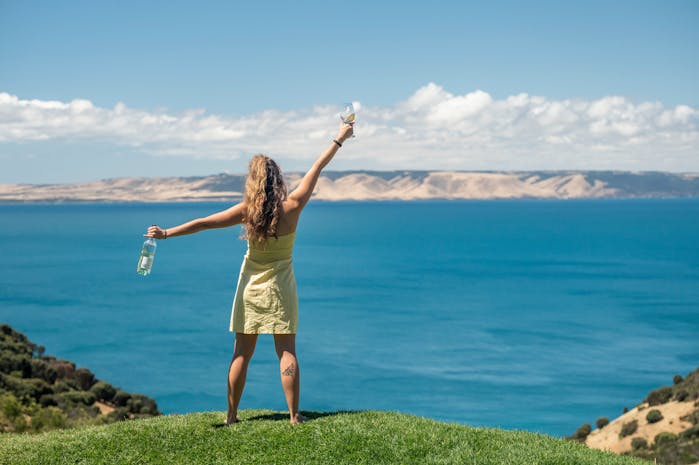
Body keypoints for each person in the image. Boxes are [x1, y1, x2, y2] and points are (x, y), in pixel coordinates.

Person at [145, 121, 354, 425]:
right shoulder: (293, 205)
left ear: (252, 182)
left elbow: (203, 223)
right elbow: (317, 167)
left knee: (241, 353)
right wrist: (340, 138)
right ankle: (294, 416)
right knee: (287, 352)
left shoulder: (246, 211)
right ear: (277, 179)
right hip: (281, 289)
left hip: (250, 290)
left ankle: (231, 416)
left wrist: (166, 233)